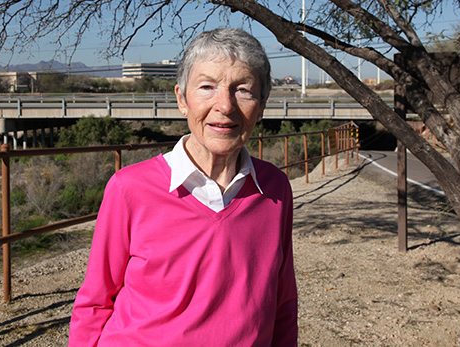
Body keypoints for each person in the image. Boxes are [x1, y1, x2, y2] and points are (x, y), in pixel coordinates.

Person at [68, 27, 298, 346]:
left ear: (262, 104)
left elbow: (283, 304)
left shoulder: (275, 190)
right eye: (207, 87)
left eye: (243, 90)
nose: (225, 106)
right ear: (181, 99)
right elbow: (95, 303)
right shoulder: (129, 188)